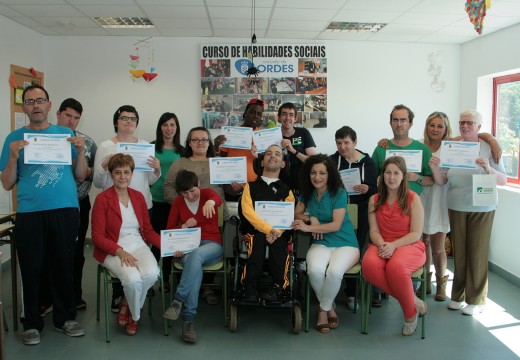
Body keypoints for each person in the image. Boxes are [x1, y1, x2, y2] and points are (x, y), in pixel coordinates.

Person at [0, 85, 87, 345]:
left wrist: (81, 152)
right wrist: (13, 158)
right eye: (29, 102)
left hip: (65, 211)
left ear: (50, 105)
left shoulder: (65, 134)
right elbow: (6, 183)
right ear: (24, 107)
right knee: (31, 267)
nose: (35, 105)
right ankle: (32, 323)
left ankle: (64, 318)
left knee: (63, 266)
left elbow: (81, 175)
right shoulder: (13, 138)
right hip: (31, 214)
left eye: (40, 100)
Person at [430, 110, 506, 316]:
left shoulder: (489, 147)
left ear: (479, 127)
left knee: (477, 252)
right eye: (462, 122)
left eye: (470, 123)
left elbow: (503, 180)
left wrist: (489, 168)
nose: (465, 126)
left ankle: (477, 300)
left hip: (482, 207)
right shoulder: (452, 147)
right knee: (460, 254)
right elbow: (442, 181)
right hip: (456, 205)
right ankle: (457, 296)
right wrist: (435, 168)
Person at [93, 105, 161, 312]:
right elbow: (97, 181)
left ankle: (133, 294)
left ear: (137, 123)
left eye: (133, 118)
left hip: (141, 204)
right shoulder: (106, 146)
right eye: (124, 118)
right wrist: (104, 166)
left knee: (141, 252)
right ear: (116, 121)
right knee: (121, 257)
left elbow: (150, 179)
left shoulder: (144, 146)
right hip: (112, 207)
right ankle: (120, 296)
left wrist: (157, 170)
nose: (129, 122)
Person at [91, 154, 161, 336]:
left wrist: (167, 245)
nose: (122, 176)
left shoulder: (138, 197)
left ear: (132, 174)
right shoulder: (102, 199)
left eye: (126, 172)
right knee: (132, 279)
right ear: (111, 174)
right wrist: (119, 252)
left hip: (137, 243)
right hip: (112, 248)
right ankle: (135, 317)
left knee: (152, 274)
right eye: (118, 172)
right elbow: (97, 236)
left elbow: (148, 231)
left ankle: (126, 303)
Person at [292, 154, 359, 334]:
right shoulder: (307, 193)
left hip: (346, 242)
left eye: (322, 172)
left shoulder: (339, 192)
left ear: (329, 174)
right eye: (313, 172)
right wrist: (310, 218)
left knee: (334, 272)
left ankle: (322, 310)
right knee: (314, 270)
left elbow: (336, 225)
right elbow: (296, 214)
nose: (317, 177)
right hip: (322, 242)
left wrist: (309, 228)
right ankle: (329, 307)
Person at [362, 156, 427, 336]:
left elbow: (416, 233)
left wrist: (394, 245)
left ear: (403, 176)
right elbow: (374, 231)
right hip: (382, 243)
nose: (391, 177)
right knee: (368, 265)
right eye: (387, 173)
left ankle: (409, 314)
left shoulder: (413, 199)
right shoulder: (374, 199)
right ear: (382, 176)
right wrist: (383, 243)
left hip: (409, 244)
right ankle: (411, 300)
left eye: (396, 173)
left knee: (396, 267)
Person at [163, 126, 227, 304]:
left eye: (204, 139)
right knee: (195, 255)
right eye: (195, 139)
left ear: (209, 143)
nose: (200, 142)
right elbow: (168, 187)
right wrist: (184, 202)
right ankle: (198, 295)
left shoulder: (218, 161)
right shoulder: (180, 163)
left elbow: (226, 189)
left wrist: (234, 186)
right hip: (189, 227)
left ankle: (188, 296)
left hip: (215, 217)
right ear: (189, 143)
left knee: (200, 252)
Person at [162, 170, 223, 343]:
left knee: (195, 256)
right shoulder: (178, 203)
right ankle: (188, 320)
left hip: (212, 246)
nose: (189, 195)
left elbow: (216, 198)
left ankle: (178, 300)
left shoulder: (207, 194)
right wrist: (183, 227)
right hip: (187, 248)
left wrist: (210, 202)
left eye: (192, 190)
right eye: (184, 193)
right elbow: (169, 231)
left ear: (198, 185)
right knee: (193, 264)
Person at [328, 126, 377, 310]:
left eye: (346, 143)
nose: (342, 147)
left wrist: (367, 189)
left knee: (354, 249)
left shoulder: (367, 162)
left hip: (361, 211)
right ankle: (331, 292)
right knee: (334, 247)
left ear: (355, 143)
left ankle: (351, 293)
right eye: (339, 143)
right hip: (335, 212)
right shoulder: (331, 161)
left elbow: (375, 189)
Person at [239, 144, 295, 303]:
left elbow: (288, 216)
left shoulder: (287, 191)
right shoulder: (249, 187)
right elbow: (247, 212)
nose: (273, 156)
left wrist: (276, 232)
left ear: (283, 164)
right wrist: (269, 230)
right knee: (256, 239)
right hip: (253, 231)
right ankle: (248, 287)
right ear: (262, 162)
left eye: (277, 154)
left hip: (279, 234)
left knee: (280, 242)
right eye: (268, 153)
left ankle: (279, 287)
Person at [56, 98, 97, 310]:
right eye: (68, 115)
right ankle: (49, 298)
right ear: (58, 114)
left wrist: (87, 170)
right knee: (51, 252)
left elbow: (93, 175)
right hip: (53, 205)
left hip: (80, 203)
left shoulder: (87, 143)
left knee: (77, 252)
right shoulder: (44, 139)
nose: (71, 121)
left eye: (76, 118)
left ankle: (75, 295)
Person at [149, 112, 184, 293]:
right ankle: (151, 277)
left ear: (177, 128)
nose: (169, 128)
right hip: (154, 200)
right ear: (160, 127)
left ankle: (167, 277)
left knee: (170, 242)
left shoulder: (182, 150)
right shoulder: (151, 147)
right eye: (165, 125)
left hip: (174, 202)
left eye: (172, 125)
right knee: (155, 241)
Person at [372, 104, 434, 196]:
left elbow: (432, 180)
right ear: (390, 123)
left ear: (410, 124)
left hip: (413, 204)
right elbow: (372, 178)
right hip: (386, 202)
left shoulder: (422, 149)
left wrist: (418, 178)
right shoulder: (381, 149)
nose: (399, 124)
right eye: (395, 120)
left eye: (403, 120)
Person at [214, 98, 262, 198]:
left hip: (253, 187)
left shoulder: (262, 136)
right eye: (252, 112)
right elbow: (220, 158)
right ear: (245, 113)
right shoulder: (231, 133)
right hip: (231, 186)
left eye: (259, 114)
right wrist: (216, 146)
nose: (255, 116)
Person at [279, 102, 317, 194]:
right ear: (279, 117)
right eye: (284, 114)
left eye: (291, 115)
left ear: (295, 118)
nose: (287, 118)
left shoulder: (303, 133)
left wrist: (292, 150)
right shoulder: (273, 135)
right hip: (280, 183)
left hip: (302, 183)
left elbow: (314, 161)